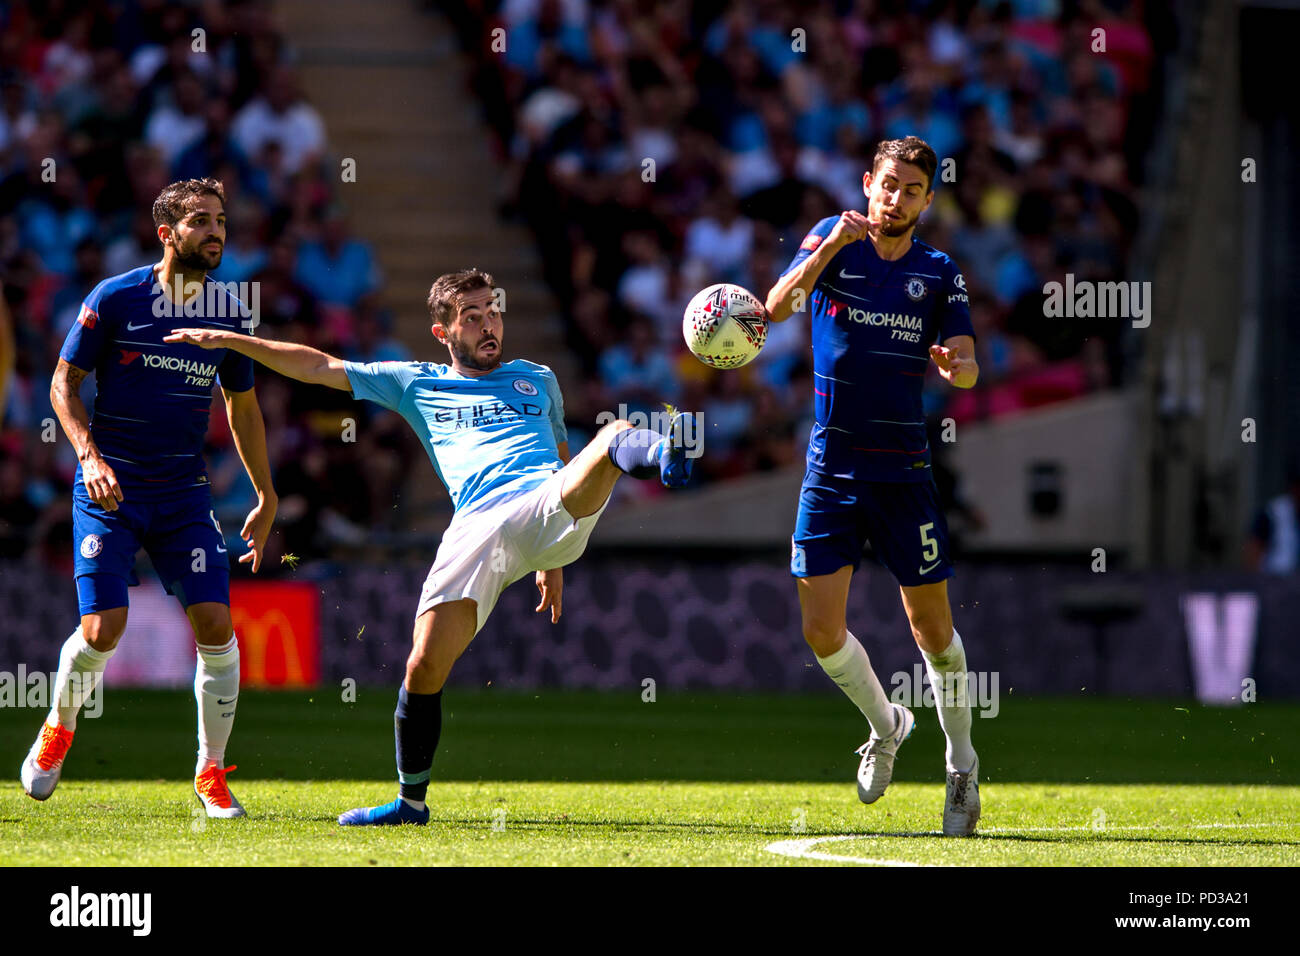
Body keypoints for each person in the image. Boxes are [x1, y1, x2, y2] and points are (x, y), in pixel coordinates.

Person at [166, 267, 694, 826]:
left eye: (493, 311)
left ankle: (663, 454)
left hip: (542, 500)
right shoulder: (414, 381)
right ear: (443, 333)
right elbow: (317, 366)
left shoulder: (536, 378)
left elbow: (563, 457)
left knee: (611, 437)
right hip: (475, 527)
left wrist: (555, 554)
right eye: (472, 318)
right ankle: (409, 804)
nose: (489, 325)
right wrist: (229, 340)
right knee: (422, 667)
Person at [22, 178, 278, 818]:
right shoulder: (116, 298)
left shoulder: (228, 311)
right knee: (103, 630)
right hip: (111, 485)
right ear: (167, 234)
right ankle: (57, 731)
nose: (216, 231)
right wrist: (88, 455)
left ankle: (211, 774)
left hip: (184, 493)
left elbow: (243, 410)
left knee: (217, 628)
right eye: (201, 221)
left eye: (221, 220)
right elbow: (63, 385)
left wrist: (265, 493)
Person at [765, 136, 982, 836]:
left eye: (911, 190)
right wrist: (828, 248)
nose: (895, 198)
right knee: (821, 630)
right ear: (867, 184)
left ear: (926, 200)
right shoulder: (832, 239)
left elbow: (972, 367)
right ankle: (886, 724)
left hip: (903, 472)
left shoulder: (940, 271)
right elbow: (775, 309)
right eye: (887, 185)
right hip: (830, 470)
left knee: (935, 633)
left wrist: (956, 369)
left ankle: (961, 766)